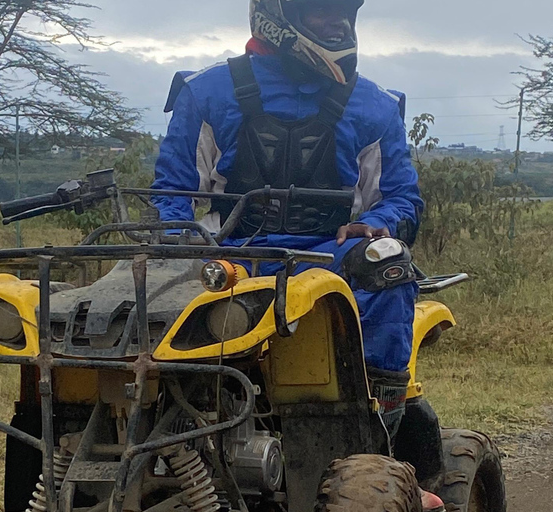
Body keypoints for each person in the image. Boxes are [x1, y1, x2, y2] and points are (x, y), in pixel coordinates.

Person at [151, 1, 444, 510]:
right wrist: (185, 240)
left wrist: (380, 223)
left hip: (331, 258)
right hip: (233, 258)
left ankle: (381, 448)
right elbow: (172, 193)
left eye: (345, 12)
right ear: (276, 16)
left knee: (388, 265)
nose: (339, 24)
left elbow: (402, 198)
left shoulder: (372, 103)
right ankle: (163, 437)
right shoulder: (207, 93)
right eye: (321, 12)